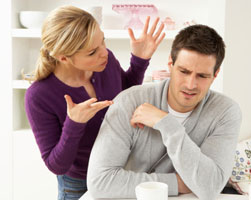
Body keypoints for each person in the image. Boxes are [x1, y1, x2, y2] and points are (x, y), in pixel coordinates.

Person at [24, 5, 165, 200]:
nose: (104, 53)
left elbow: (124, 95)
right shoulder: (39, 95)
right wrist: (74, 124)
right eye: (92, 52)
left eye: (103, 41)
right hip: (78, 185)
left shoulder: (106, 64)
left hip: (121, 171)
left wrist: (139, 61)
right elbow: (56, 165)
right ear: (63, 57)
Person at [87, 24, 242, 200]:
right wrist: (177, 183)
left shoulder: (225, 112)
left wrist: (167, 125)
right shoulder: (129, 101)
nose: (190, 85)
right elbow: (99, 182)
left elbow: (210, 187)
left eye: (202, 76)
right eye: (184, 71)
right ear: (170, 63)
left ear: (215, 74)